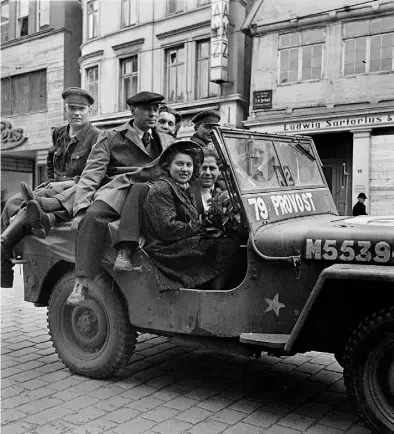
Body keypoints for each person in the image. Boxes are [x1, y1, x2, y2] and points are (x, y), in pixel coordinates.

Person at [68, 91, 174, 305]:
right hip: (119, 190)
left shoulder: (167, 140)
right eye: (147, 109)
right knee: (93, 216)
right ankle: (81, 282)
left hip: (153, 192)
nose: (153, 114)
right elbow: (92, 173)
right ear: (132, 110)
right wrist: (80, 209)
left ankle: (126, 255)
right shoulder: (110, 136)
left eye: (156, 110)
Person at [0, 87, 100, 288]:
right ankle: (5, 264)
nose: (76, 113)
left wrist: (59, 184)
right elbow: (51, 158)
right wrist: (51, 179)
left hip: (77, 187)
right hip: (54, 185)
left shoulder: (96, 137)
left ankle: (3, 246)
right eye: (72, 108)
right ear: (66, 110)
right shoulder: (59, 133)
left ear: (90, 111)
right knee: (12, 202)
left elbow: (94, 172)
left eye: (81, 109)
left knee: (31, 206)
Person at [142, 140, 239, 292]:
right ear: (168, 166)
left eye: (189, 165)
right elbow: (168, 229)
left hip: (177, 243)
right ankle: (214, 295)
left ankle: (215, 290)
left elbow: (189, 221)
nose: (185, 169)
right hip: (164, 250)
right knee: (227, 247)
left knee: (230, 242)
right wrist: (202, 224)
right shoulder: (162, 188)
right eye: (179, 164)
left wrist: (208, 225)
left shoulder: (179, 187)